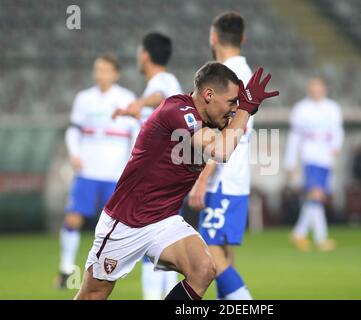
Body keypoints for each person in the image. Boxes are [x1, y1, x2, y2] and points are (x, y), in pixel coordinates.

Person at [75, 62, 279, 300]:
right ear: (209, 95)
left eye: (237, 103)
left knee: (203, 269)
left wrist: (240, 113)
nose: (234, 109)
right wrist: (245, 109)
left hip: (164, 220)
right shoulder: (178, 111)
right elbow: (220, 151)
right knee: (94, 294)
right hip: (127, 221)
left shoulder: (212, 123)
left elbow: (223, 147)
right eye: (232, 102)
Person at [55, 54, 139, 288]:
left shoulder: (126, 98)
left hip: (114, 174)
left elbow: (135, 134)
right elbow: (73, 130)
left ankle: (109, 269)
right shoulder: (84, 99)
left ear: (115, 73)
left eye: (105, 69)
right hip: (88, 172)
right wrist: (74, 154)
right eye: (97, 69)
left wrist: (131, 164)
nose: (100, 74)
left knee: (117, 225)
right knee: (73, 218)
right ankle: (65, 270)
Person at [186, 12, 253, 300]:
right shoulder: (246, 72)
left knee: (212, 255)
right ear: (243, 39)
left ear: (213, 38)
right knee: (223, 253)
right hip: (237, 178)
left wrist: (202, 180)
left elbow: (225, 134)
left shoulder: (226, 77)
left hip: (222, 180)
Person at [114, 32, 183, 300]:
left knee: (148, 241)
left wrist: (139, 103)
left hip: (157, 179)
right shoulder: (164, 83)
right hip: (163, 175)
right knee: (160, 241)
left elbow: (159, 95)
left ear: (144, 55)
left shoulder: (163, 80)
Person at [284, 77, 344, 252]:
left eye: (319, 87)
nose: (316, 90)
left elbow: (337, 130)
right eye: (313, 87)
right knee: (316, 194)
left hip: (326, 156)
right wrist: (290, 161)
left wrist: (336, 146)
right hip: (309, 155)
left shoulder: (333, 108)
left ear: (325, 88)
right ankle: (320, 238)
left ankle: (299, 232)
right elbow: (295, 137)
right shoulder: (301, 109)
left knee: (316, 196)